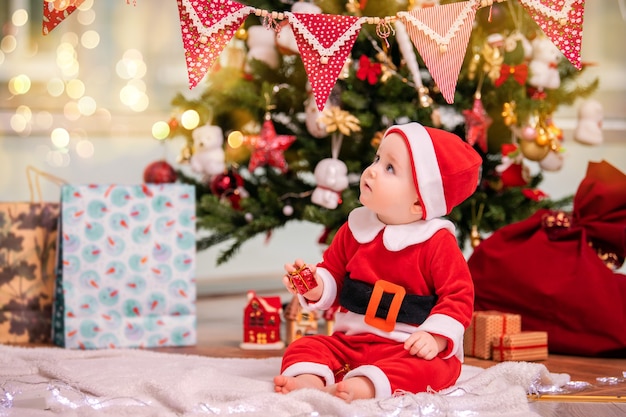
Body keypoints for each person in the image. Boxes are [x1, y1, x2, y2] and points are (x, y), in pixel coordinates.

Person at [273, 122, 483, 402]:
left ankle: (364, 388)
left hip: (405, 345)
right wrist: (315, 287)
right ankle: (310, 380)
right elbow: (333, 274)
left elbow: (458, 296)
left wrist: (436, 337)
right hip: (351, 343)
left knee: (433, 370)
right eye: (377, 159)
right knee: (306, 346)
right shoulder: (355, 229)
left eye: (389, 168)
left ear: (419, 204)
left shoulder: (436, 242)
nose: (372, 170)